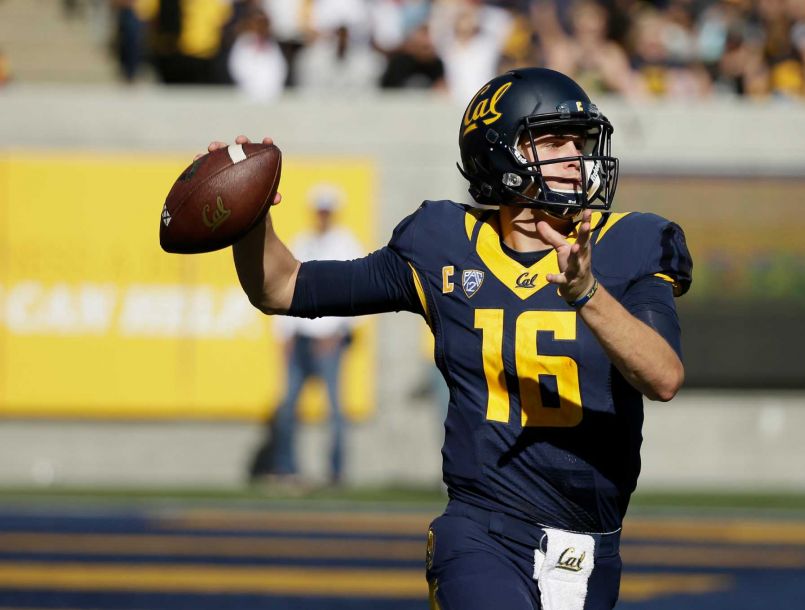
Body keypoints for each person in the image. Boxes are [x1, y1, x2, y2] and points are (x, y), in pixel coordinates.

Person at [207, 67, 691, 609]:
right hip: (483, 533)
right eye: (555, 142)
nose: (577, 159)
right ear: (501, 155)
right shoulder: (442, 244)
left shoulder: (631, 243)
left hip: (591, 549)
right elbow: (282, 286)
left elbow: (663, 375)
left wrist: (586, 291)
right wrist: (249, 221)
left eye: (579, 143)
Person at [249, 186, 362, 488]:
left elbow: (359, 291)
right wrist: (284, 334)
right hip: (301, 336)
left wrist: (339, 332)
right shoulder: (304, 240)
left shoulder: (346, 243)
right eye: (319, 210)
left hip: (328, 340)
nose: (322, 216)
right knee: (287, 407)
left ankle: (336, 472)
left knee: (335, 410)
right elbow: (286, 286)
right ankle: (287, 469)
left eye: (326, 210)